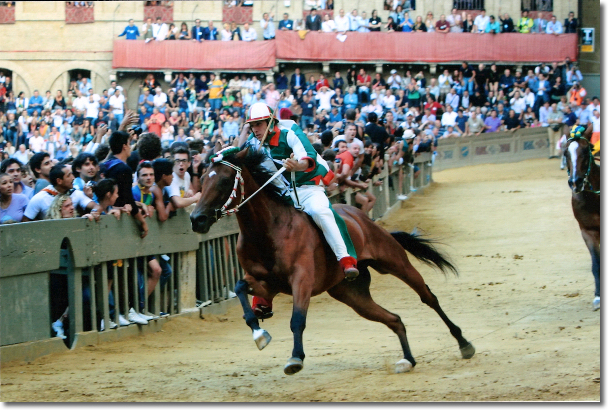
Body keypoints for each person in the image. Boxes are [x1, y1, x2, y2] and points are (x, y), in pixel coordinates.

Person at [238, 102, 359, 281]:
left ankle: (346, 260)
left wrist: (296, 166)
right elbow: (239, 153)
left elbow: (307, 158)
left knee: (321, 211)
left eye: (259, 124)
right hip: (283, 195)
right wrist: (241, 133)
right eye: (252, 125)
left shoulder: (290, 134)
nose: (255, 129)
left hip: (307, 189)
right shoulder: (253, 143)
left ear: (271, 123)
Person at [102, 130, 148, 237]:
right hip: (118, 222)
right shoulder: (124, 169)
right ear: (124, 146)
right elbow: (128, 198)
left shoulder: (105, 165)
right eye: (129, 143)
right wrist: (143, 222)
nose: (130, 146)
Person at [23, 163, 97, 221]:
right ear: (59, 181)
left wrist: (93, 213)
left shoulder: (76, 193)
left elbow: (96, 206)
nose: (73, 178)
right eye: (69, 176)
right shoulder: (40, 198)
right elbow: (25, 223)